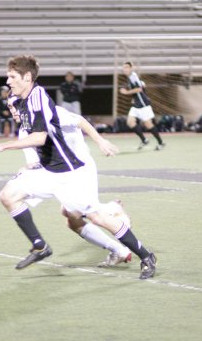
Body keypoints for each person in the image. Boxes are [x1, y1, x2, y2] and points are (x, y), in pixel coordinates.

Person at [0, 54, 156, 279]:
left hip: (72, 173)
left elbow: (40, 138)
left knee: (95, 217)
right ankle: (40, 246)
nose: (8, 82)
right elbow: (33, 151)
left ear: (27, 77)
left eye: (12, 77)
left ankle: (145, 255)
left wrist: (2, 147)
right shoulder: (23, 107)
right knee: (8, 195)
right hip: (50, 172)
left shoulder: (39, 100)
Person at [7, 93, 132, 267]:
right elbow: (34, 163)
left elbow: (80, 121)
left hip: (80, 167)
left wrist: (100, 141)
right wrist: (25, 170)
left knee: (91, 214)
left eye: (15, 105)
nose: (12, 110)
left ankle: (116, 222)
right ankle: (118, 245)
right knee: (71, 218)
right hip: (63, 173)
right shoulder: (24, 132)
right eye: (10, 107)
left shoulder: (50, 112)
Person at [119, 61, 165, 150]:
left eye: (126, 67)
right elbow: (142, 85)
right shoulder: (130, 77)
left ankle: (161, 142)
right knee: (130, 122)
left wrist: (126, 92)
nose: (124, 69)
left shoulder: (133, 76)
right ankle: (144, 140)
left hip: (143, 104)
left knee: (148, 124)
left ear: (131, 68)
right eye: (123, 67)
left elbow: (139, 89)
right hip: (136, 104)